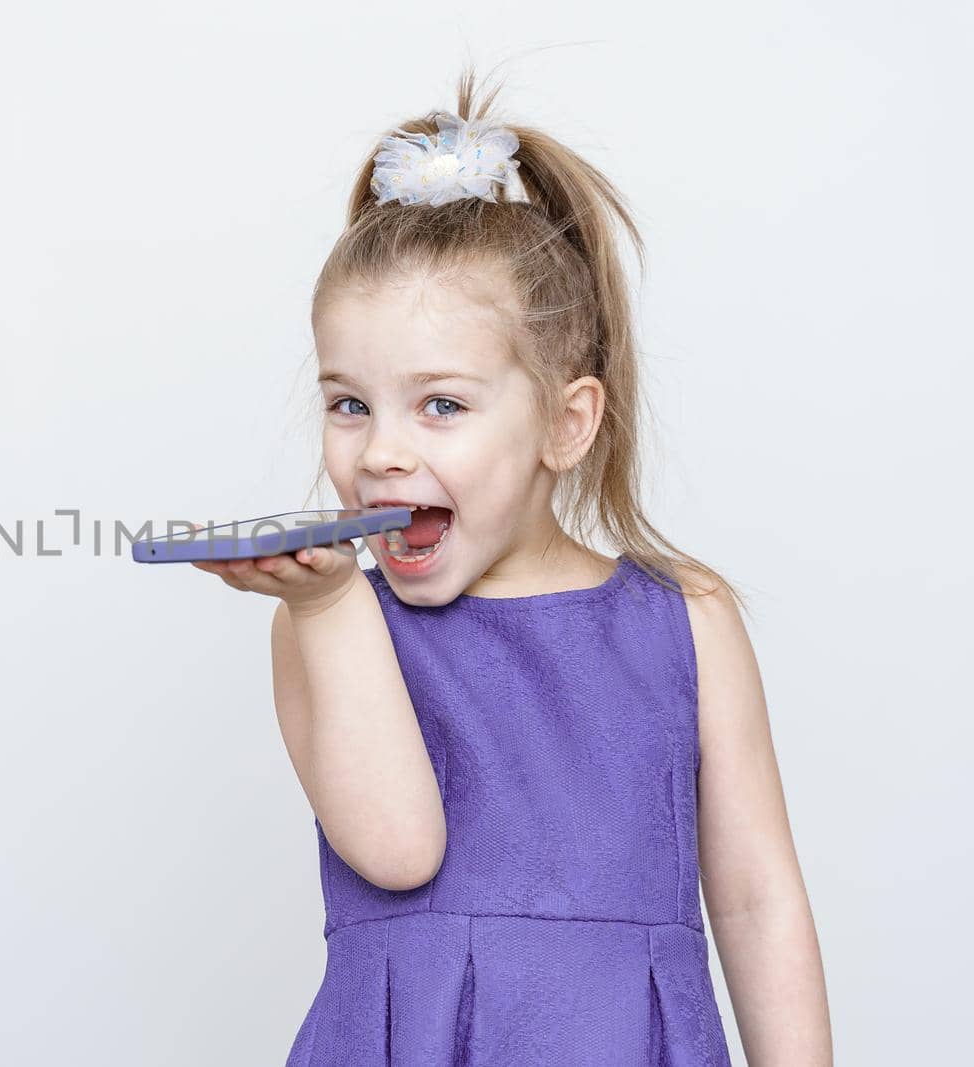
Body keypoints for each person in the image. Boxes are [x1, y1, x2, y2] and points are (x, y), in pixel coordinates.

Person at [191, 67, 832, 1065]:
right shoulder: (326, 622)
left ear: (565, 422)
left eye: (439, 403)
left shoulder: (686, 619)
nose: (382, 452)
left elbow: (755, 899)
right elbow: (400, 851)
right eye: (348, 402)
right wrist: (322, 608)